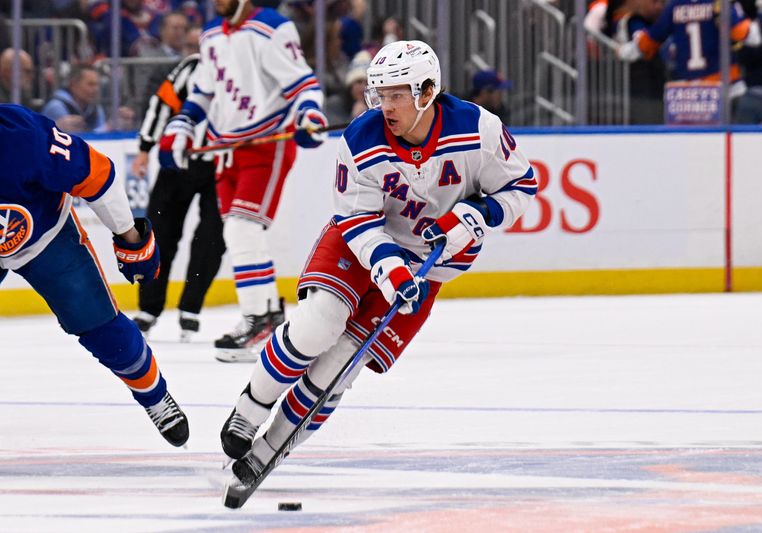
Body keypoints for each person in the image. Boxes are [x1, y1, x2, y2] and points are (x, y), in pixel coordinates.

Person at [218, 40, 537, 486]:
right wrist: (389, 267)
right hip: (359, 245)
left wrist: (478, 215)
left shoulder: (478, 130)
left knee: (341, 367)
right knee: (318, 325)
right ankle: (250, 408)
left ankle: (270, 449)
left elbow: (521, 185)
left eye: (395, 95)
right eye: (379, 94)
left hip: (431, 264)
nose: (384, 105)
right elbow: (358, 219)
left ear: (426, 92)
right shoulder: (363, 137)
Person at [0, 104, 189, 447]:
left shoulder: (21, 138)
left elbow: (97, 174)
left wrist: (130, 235)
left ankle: (153, 395)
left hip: (45, 238)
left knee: (101, 327)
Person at [159, 0, 329, 362]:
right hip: (227, 148)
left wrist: (310, 112)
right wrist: (182, 125)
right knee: (240, 233)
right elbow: (202, 93)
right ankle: (267, 314)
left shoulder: (272, 28)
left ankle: (258, 320)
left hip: (267, 144)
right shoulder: (210, 36)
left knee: (241, 229)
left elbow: (303, 84)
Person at [131, 37, 225, 341]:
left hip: (225, 164)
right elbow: (163, 102)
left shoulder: (248, 73)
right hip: (180, 159)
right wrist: (146, 147)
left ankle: (191, 308)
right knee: (160, 232)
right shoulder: (193, 66)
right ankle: (149, 308)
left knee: (211, 237)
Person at [617, 0, 761, 95]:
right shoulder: (719, 3)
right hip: (725, 87)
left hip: (689, 94)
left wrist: (624, 51)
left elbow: (647, 42)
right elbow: (752, 37)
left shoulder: (674, 6)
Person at [41, 65, 136, 133]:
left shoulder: (95, 108)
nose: (96, 89)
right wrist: (108, 127)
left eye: (97, 84)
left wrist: (117, 124)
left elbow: (98, 135)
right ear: (73, 85)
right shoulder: (56, 106)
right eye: (91, 84)